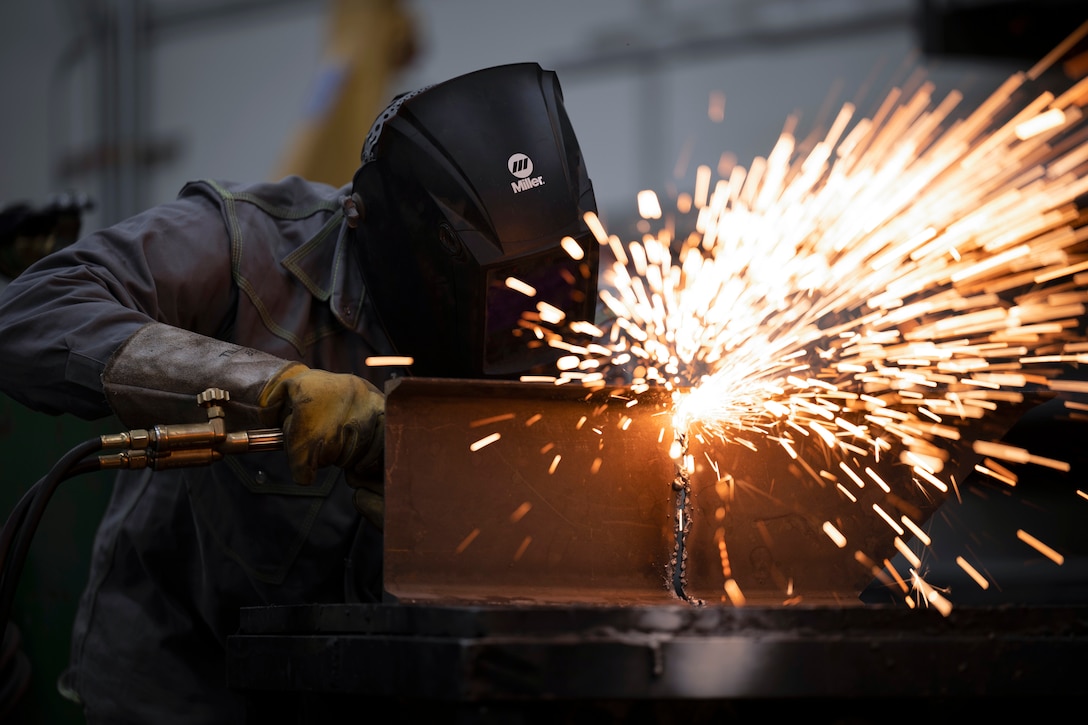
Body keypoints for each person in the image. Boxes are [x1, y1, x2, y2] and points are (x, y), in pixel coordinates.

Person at [0, 62, 599, 723]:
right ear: (398, 244)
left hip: (362, 691)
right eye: (496, 292)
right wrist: (272, 388)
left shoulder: (553, 317)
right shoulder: (251, 250)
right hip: (183, 687)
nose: (522, 319)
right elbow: (29, 311)